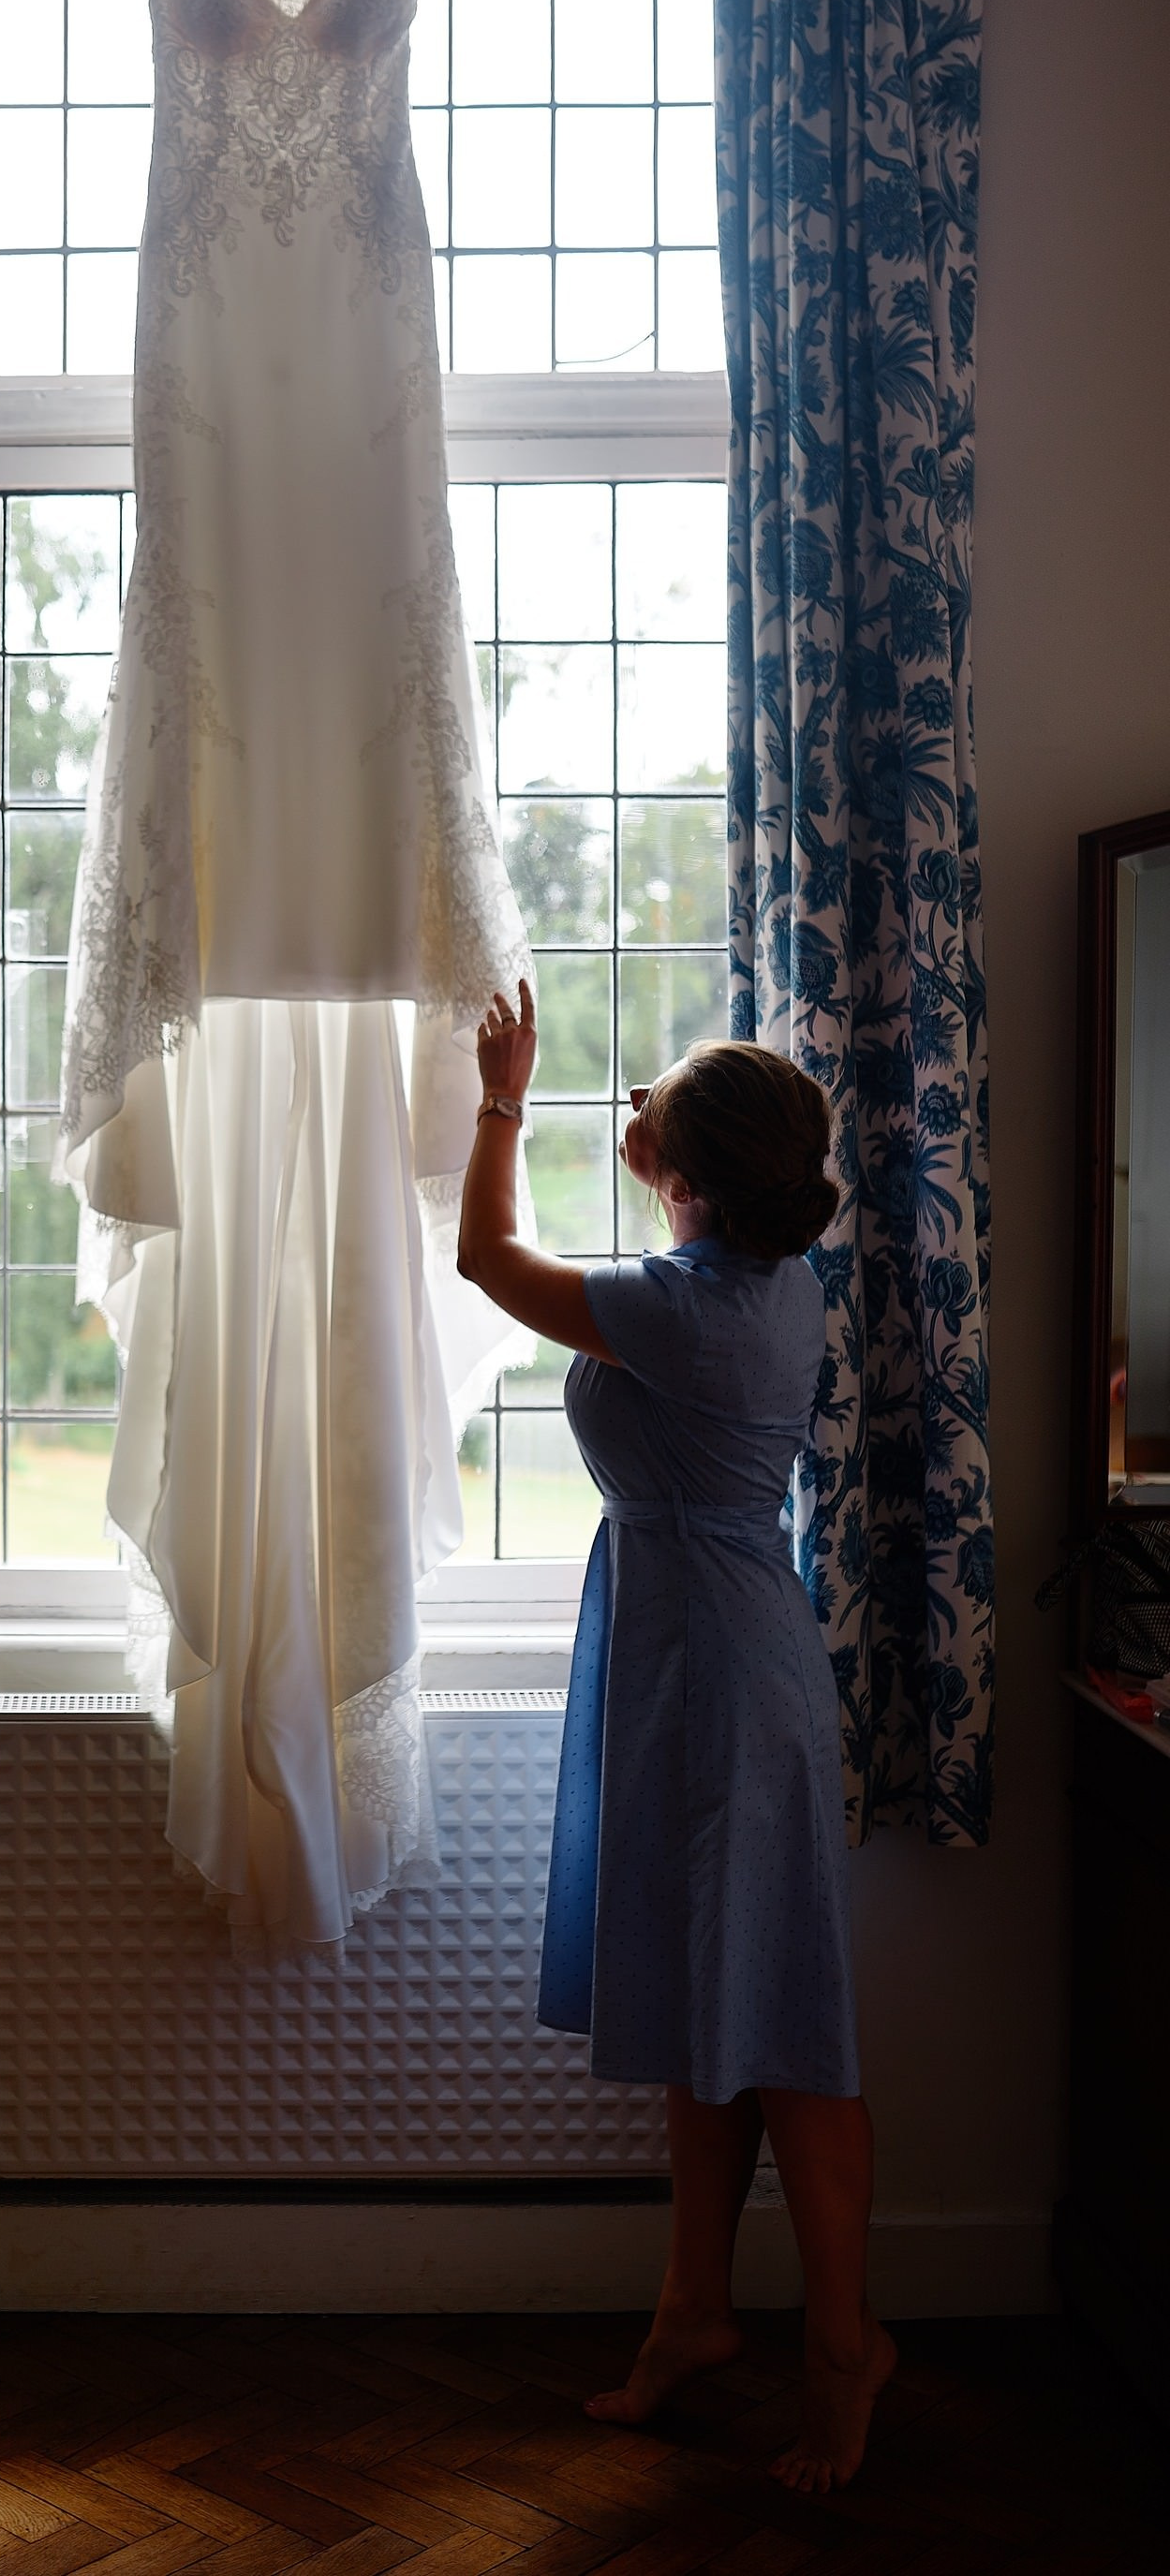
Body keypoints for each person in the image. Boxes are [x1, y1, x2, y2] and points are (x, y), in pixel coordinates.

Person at [457, 982, 895, 2495]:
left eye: (650, 1099)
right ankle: (691, 2317)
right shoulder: (752, 1281)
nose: (624, 1101)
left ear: (691, 1165)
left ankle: (843, 2352)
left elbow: (484, 1259)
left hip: (713, 1665)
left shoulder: (689, 1307)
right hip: (698, 1647)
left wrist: (503, 1095)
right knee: (717, 2016)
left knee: (788, 2042)